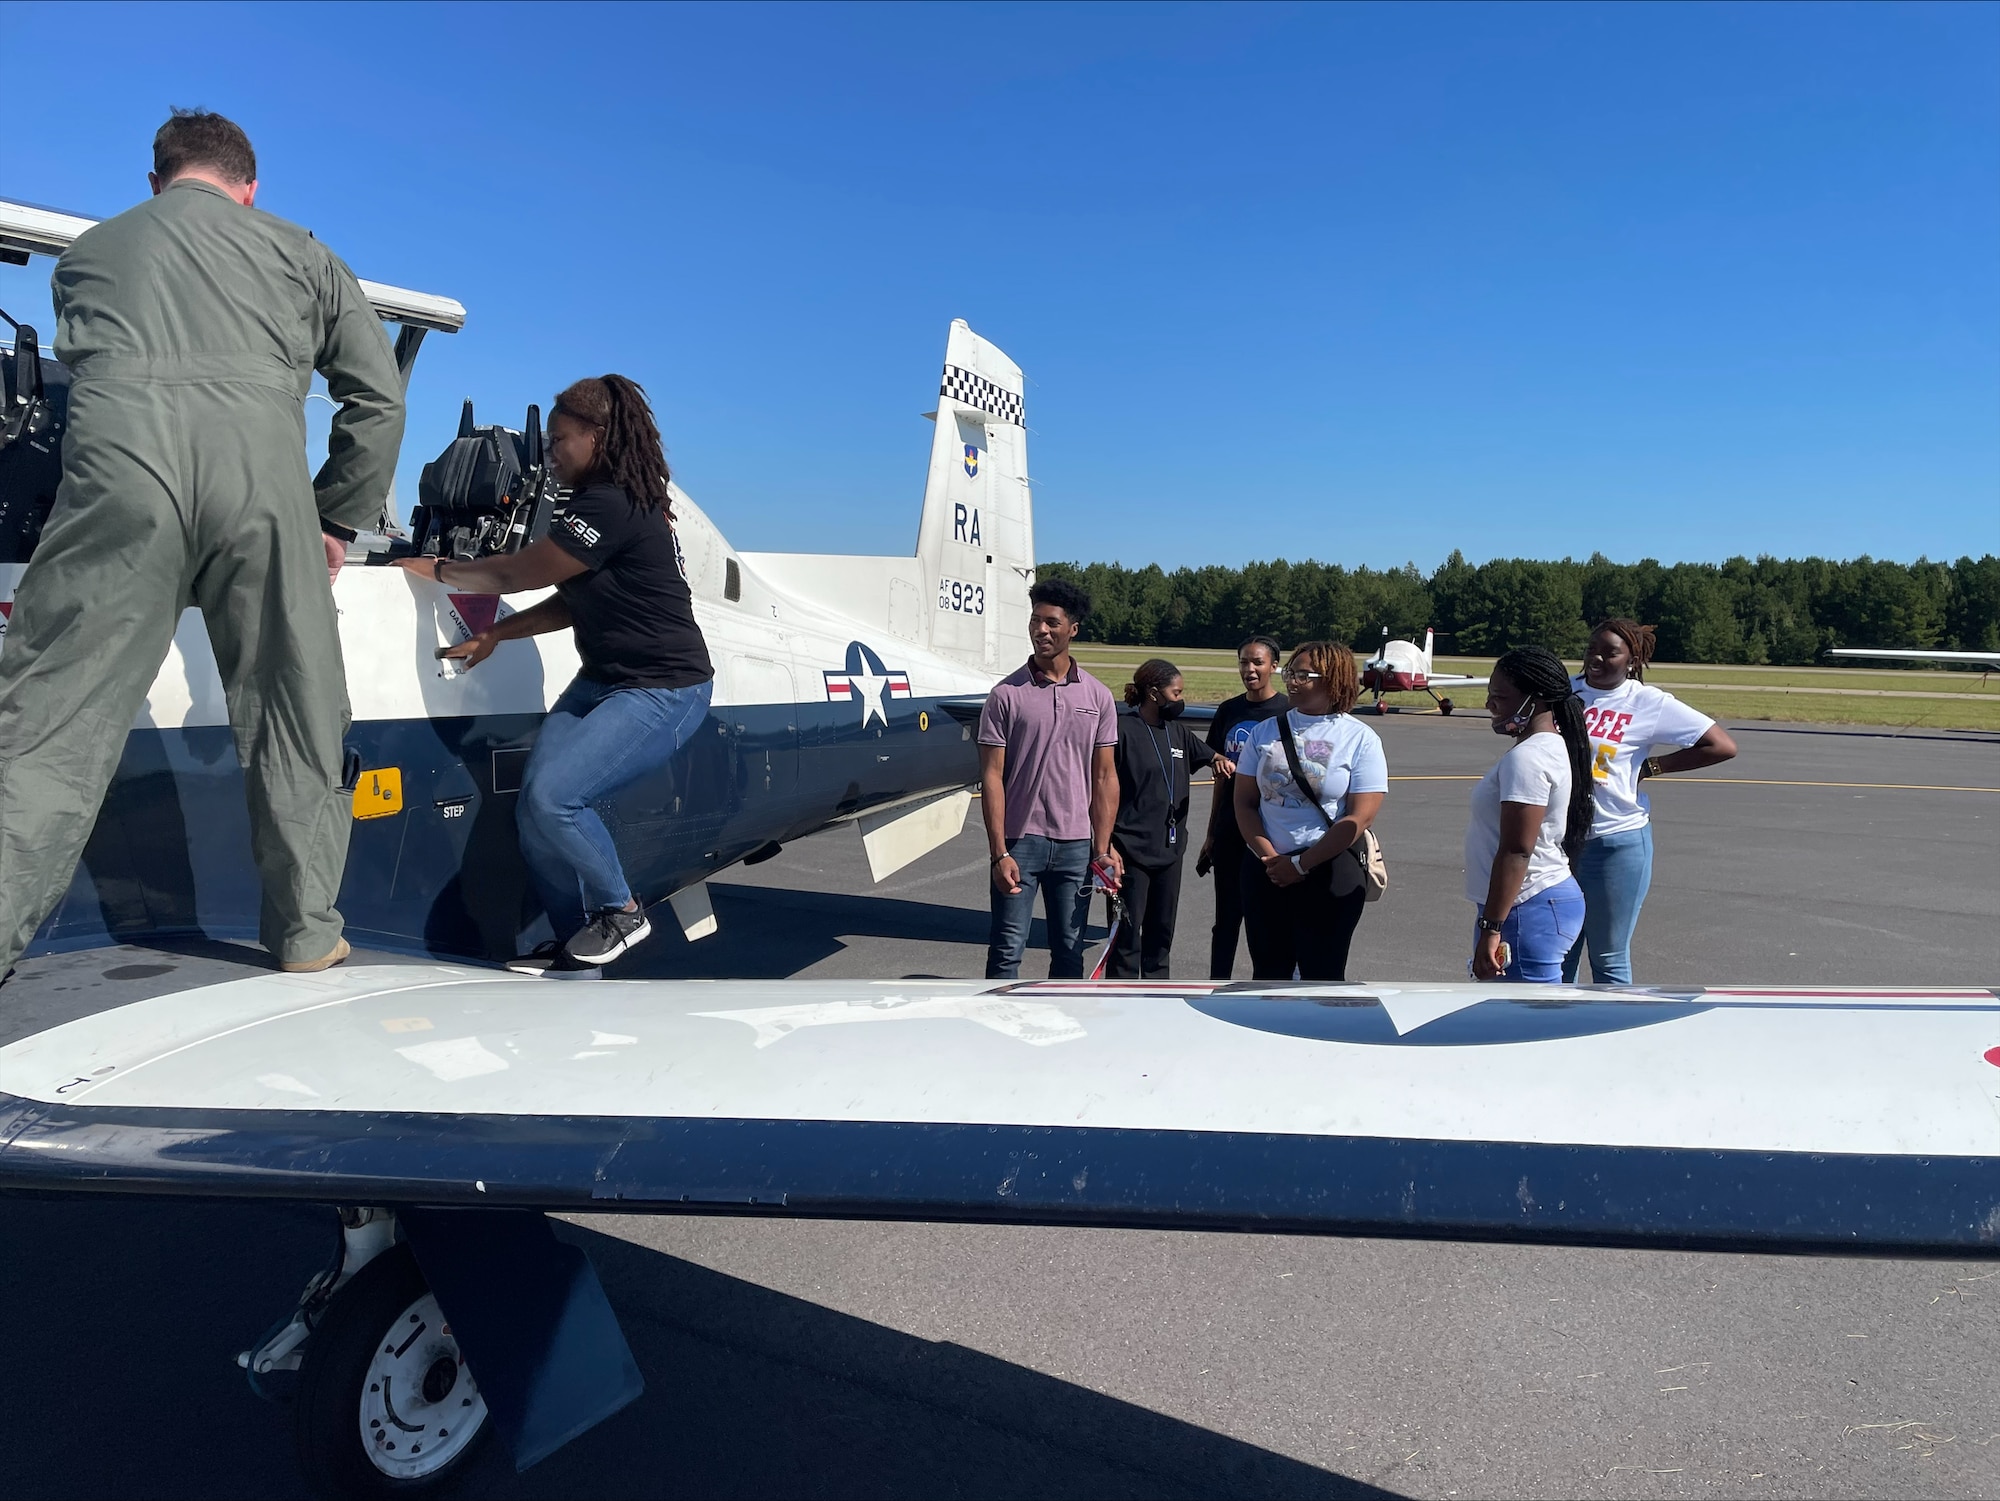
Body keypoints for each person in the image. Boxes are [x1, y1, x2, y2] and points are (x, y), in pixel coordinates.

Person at [0, 110, 405, 978]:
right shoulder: (303, 254)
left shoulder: (88, 256)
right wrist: (335, 517)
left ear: (156, 181)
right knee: (295, 713)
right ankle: (303, 934)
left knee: (47, 727)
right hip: (262, 496)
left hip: (118, 490)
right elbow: (378, 400)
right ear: (249, 186)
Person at [397, 376, 714, 978]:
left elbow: (518, 575)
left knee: (554, 798)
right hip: (605, 680)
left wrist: (436, 568)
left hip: (664, 689)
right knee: (534, 813)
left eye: (562, 440)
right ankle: (574, 945)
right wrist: (496, 634)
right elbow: (576, 599)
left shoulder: (612, 504)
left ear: (598, 437)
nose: (552, 453)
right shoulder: (600, 504)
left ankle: (621, 911)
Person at [1562, 618, 1738, 983]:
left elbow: (1721, 745)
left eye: (1610, 652)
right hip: (1560, 842)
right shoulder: (1564, 693)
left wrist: (1653, 766)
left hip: (1615, 842)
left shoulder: (1646, 702)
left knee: (1608, 957)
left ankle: (1610, 1034)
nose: (1596, 658)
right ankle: (1556, 1034)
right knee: (1559, 953)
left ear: (1631, 660)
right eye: (1591, 649)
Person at [978, 579, 1121, 979]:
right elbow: (991, 776)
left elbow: (1105, 776)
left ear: (1072, 628)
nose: (1041, 630)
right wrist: (998, 852)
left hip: (1076, 846)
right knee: (1007, 950)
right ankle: (996, 1032)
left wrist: (1103, 848)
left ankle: (1066, 1033)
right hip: (1020, 845)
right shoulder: (1005, 695)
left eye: (1052, 622)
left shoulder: (1097, 696)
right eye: (1035, 621)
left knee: (1070, 954)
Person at [1232, 641, 1386, 981]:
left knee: (1323, 976)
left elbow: (1360, 817)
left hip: (1328, 869)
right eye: (1291, 672)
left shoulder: (1360, 738)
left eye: (1303, 675)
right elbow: (1244, 802)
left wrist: (1301, 864)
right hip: (1266, 869)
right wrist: (1271, 859)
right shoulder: (1265, 732)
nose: (1292, 680)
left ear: (1333, 680)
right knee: (1269, 974)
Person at [1466, 646, 1593, 982]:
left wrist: (1492, 927)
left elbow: (1517, 849)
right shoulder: (1548, 746)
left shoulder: (1529, 758)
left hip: (1527, 904)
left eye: (1500, 697)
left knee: (1527, 1022)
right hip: (1536, 901)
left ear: (1533, 701)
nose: (1489, 704)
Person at [1106, 659, 1214, 978]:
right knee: (1126, 935)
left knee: (1161, 934)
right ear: (1154, 693)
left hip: (1169, 851)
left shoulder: (1177, 732)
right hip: (1129, 852)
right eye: (1176, 693)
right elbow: (1098, 788)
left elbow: (1210, 756)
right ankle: (1120, 1001)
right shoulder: (1123, 730)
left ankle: (1157, 996)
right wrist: (1105, 844)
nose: (1181, 700)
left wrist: (1221, 761)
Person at [1197, 636, 1287, 978]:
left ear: (1274, 666)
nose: (1249, 670)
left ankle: (1264, 986)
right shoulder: (1229, 711)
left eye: (1257, 663)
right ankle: (1217, 985)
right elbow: (1220, 776)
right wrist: (1211, 832)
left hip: (1271, 829)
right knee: (1227, 919)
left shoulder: (1286, 712)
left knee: (1265, 919)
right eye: (1243, 662)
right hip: (1231, 827)